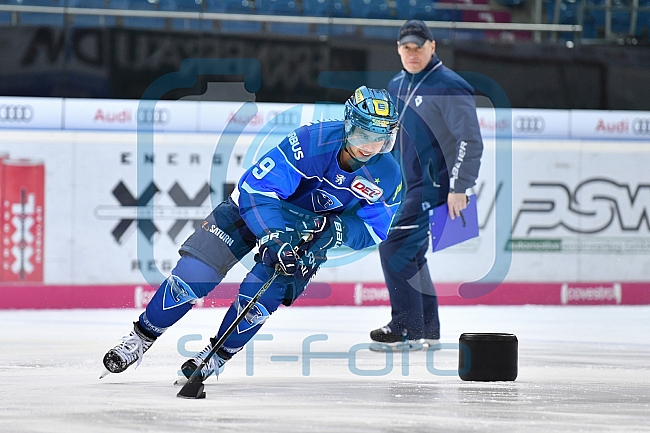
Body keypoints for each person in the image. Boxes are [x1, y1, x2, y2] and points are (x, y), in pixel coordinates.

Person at [102, 86, 403, 380]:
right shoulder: (313, 141)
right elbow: (259, 190)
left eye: (381, 138)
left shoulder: (388, 175)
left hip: (308, 233)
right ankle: (141, 337)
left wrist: (335, 231)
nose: (370, 145)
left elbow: (374, 228)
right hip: (253, 209)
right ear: (349, 123)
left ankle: (215, 357)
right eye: (364, 134)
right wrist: (274, 236)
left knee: (258, 300)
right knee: (193, 276)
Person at [369, 20, 484, 350]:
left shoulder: (450, 85)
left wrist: (460, 187)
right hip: (407, 185)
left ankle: (406, 328)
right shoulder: (396, 84)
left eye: (418, 47)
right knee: (411, 253)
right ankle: (427, 328)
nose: (412, 53)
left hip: (435, 186)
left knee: (393, 246)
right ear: (398, 50)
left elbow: (470, 141)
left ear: (432, 47)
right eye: (406, 47)